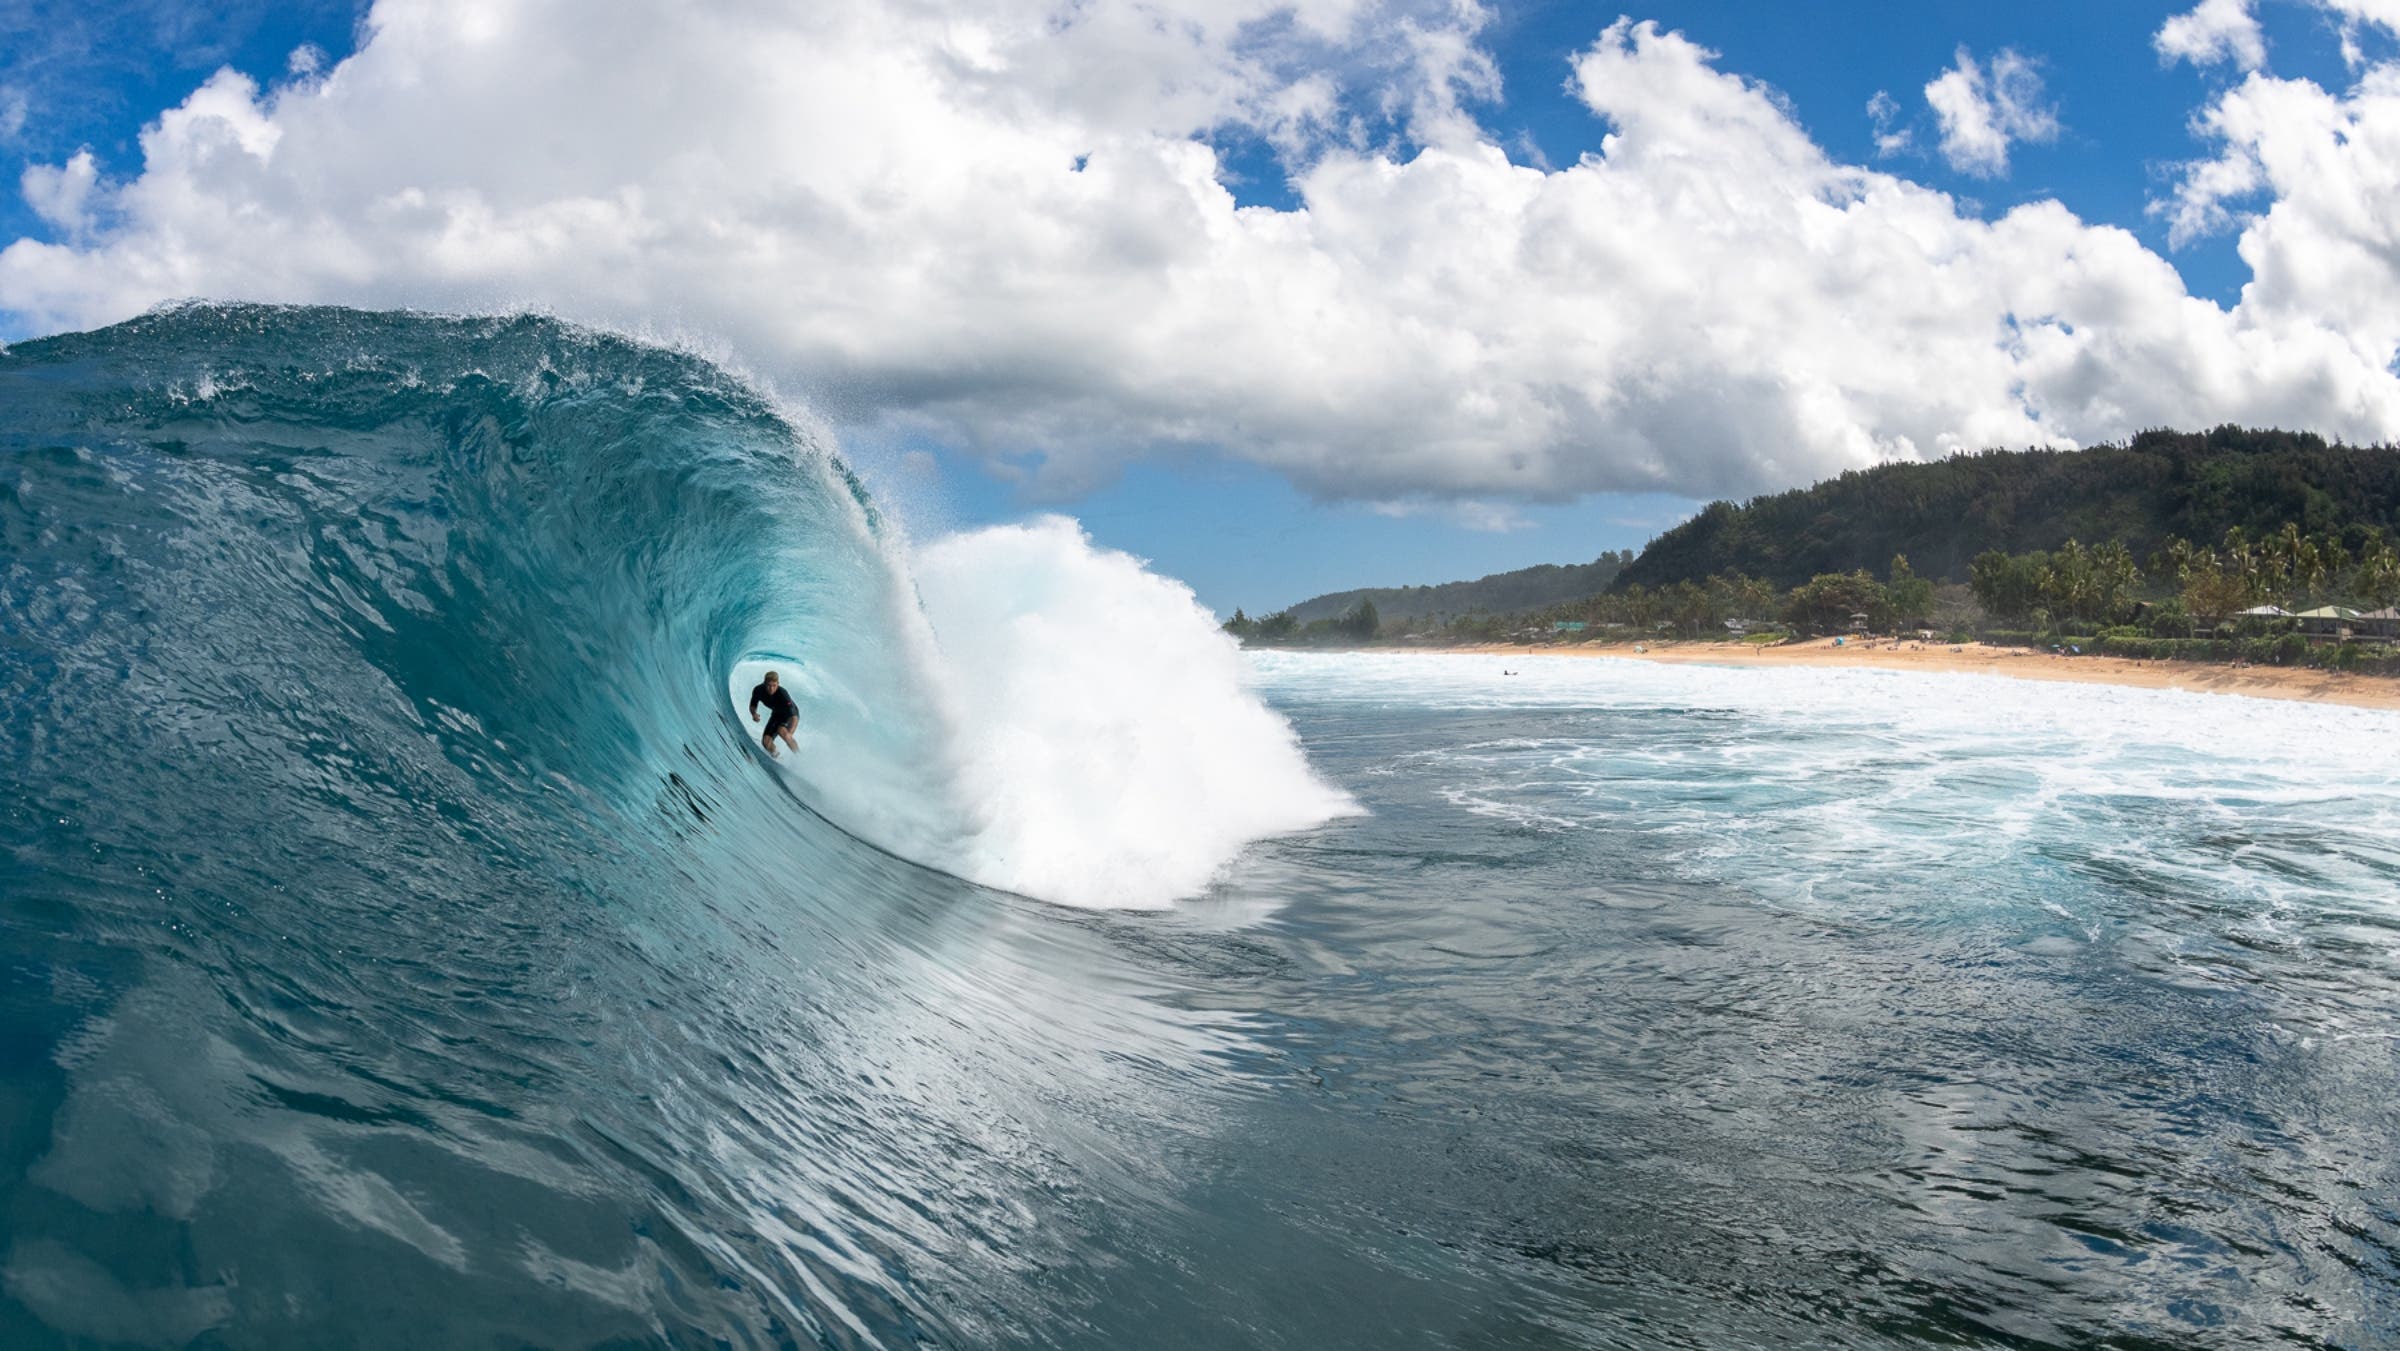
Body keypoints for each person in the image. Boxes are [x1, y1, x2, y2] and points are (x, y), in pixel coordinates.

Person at [749, 670, 800, 758]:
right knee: (766, 741)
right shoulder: (758, 690)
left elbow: (794, 717)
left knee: (783, 732)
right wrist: (754, 713)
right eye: (769, 685)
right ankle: (777, 757)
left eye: (774, 685)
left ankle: (799, 756)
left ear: (778, 683)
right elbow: (753, 704)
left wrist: (790, 734)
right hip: (777, 714)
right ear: (764, 683)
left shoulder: (782, 693)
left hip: (790, 715)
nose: (771, 688)